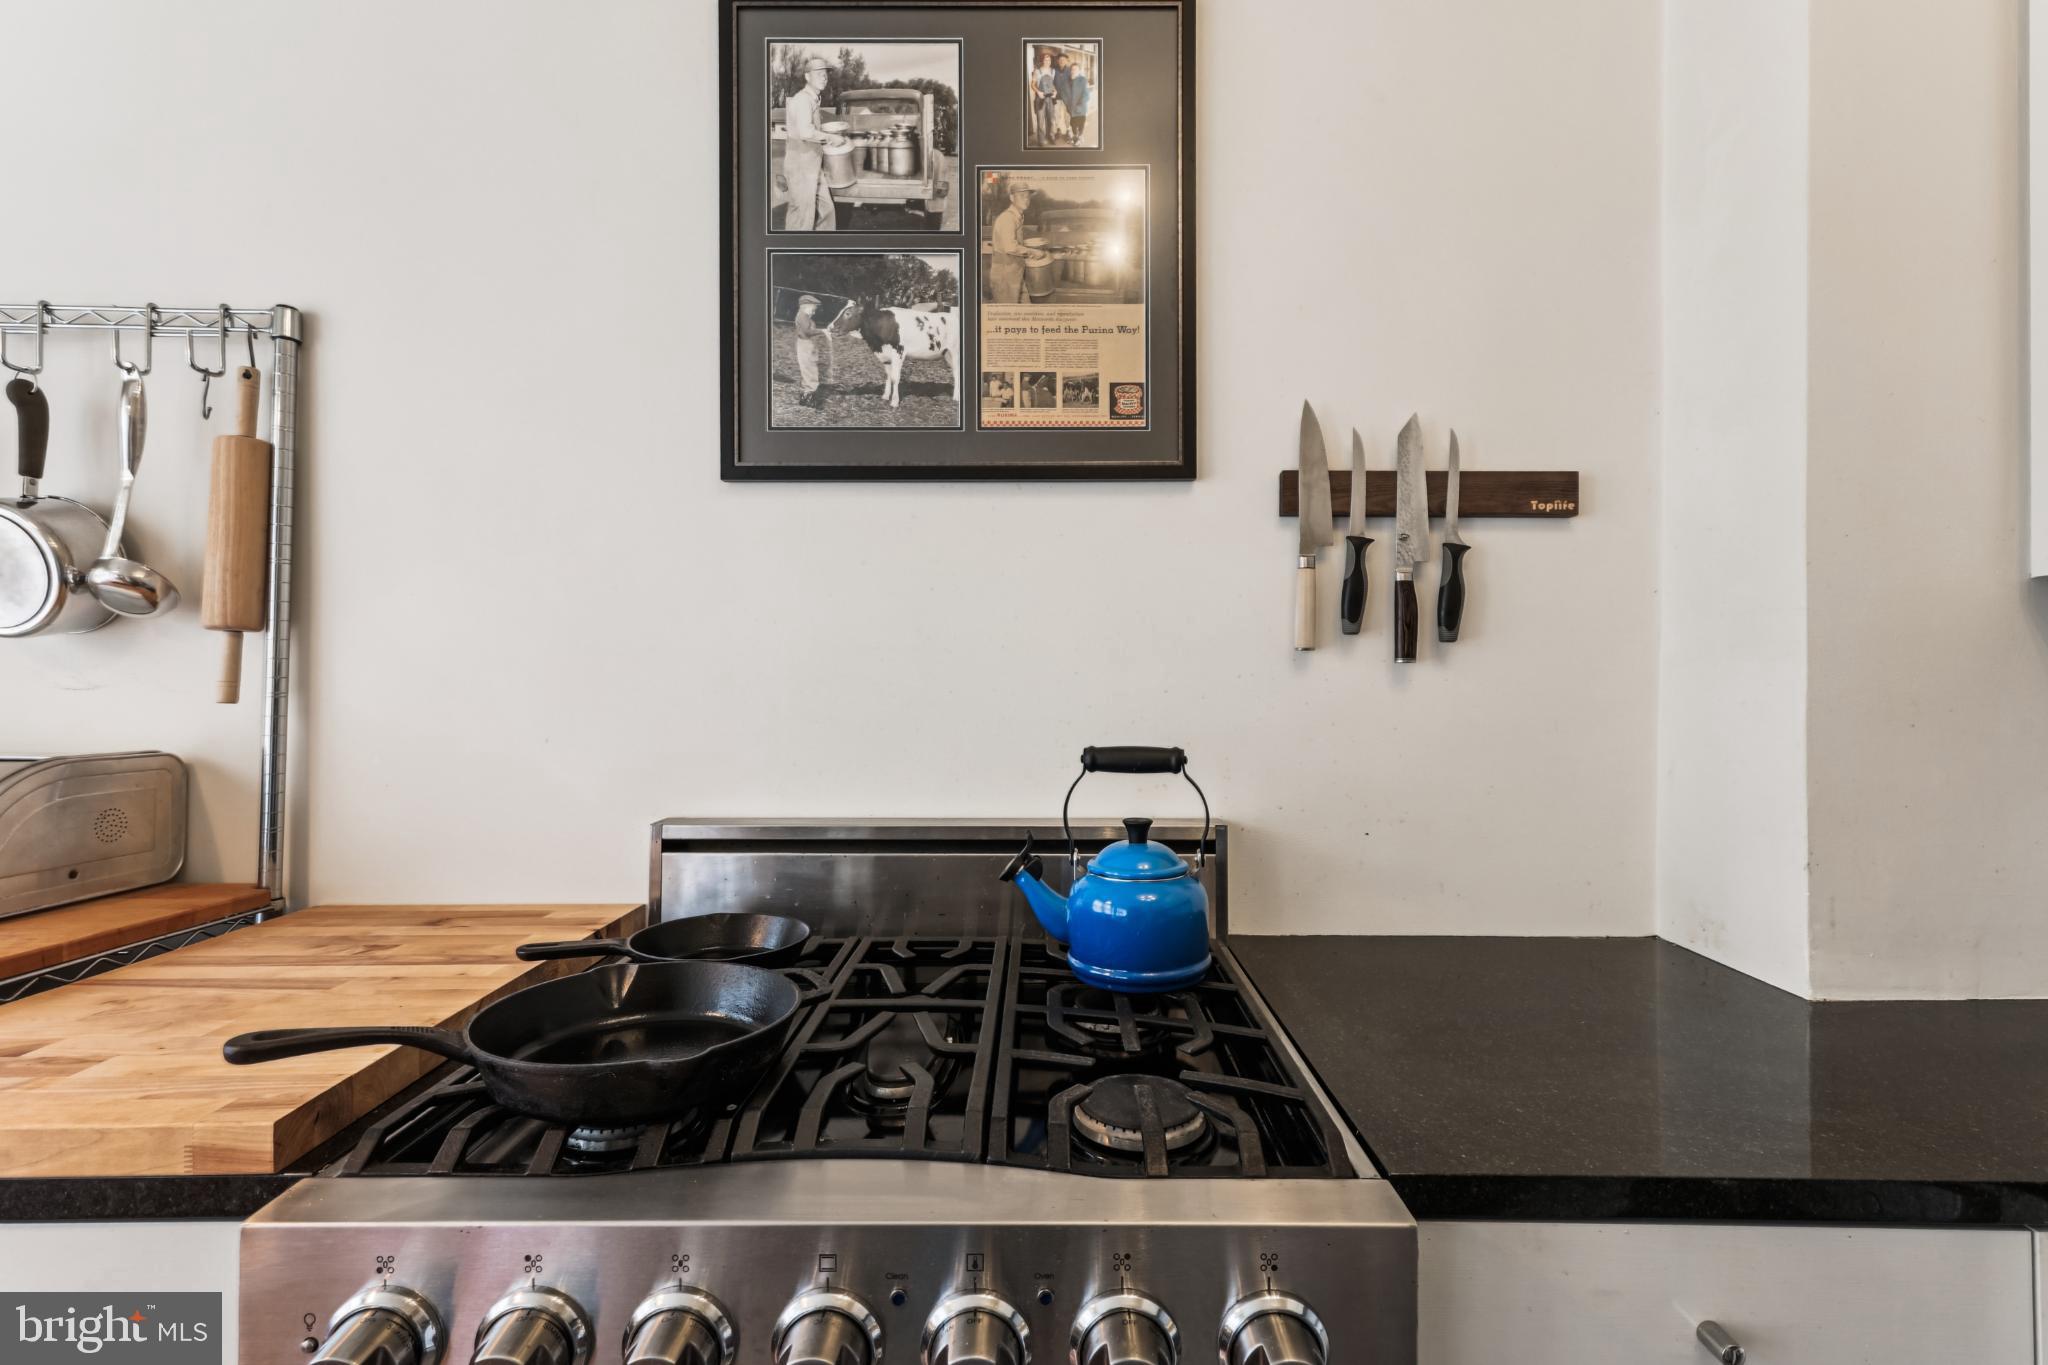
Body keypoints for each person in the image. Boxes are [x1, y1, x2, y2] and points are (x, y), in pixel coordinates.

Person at [783, 55, 839, 231]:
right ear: (807, 77)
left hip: (812, 164)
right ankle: (794, 253)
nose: (824, 78)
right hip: (800, 164)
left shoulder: (814, 99)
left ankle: (821, 245)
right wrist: (830, 137)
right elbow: (805, 132)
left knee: (827, 210)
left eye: (826, 74)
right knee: (802, 214)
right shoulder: (802, 100)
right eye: (819, 74)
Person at [987, 182, 1034, 304]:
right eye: (1022, 195)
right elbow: (1010, 247)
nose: (1026, 199)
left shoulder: (1017, 217)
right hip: (1005, 278)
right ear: (1012, 198)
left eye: (1028, 196)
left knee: (1026, 312)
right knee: (1009, 316)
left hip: (1015, 275)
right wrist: (1032, 251)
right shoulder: (1008, 218)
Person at [792, 294, 829, 407]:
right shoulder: (802, 316)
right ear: (805, 306)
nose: (814, 312)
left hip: (808, 344)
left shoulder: (805, 316)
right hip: (805, 345)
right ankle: (809, 398)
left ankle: (805, 397)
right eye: (813, 309)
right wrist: (823, 331)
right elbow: (807, 332)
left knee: (810, 369)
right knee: (809, 370)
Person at [1031, 52, 1059, 148]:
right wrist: (1038, 92)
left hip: (1050, 98)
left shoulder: (1053, 71)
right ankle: (1041, 140)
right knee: (1041, 120)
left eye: (1049, 60)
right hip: (1041, 98)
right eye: (1046, 60)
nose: (1048, 62)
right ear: (1042, 61)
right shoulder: (1037, 71)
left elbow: (1052, 84)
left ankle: (1051, 136)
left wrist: (1055, 91)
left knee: (1051, 119)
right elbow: (1032, 84)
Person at [1068, 57, 1091, 145]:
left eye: (1075, 69)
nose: (1073, 71)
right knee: (1073, 124)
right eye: (1072, 69)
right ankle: (1075, 138)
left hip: (1081, 108)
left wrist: (1080, 104)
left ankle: (1080, 137)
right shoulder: (1069, 80)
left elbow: (1086, 95)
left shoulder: (1083, 80)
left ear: (1079, 70)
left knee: (1081, 124)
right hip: (1072, 108)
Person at [1052, 54, 1074, 144]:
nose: (1061, 61)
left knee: (1067, 116)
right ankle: (1058, 130)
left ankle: (1068, 131)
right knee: (1056, 115)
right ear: (1058, 61)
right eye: (1060, 59)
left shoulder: (1069, 71)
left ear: (1066, 61)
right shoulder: (1054, 70)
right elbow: (1051, 82)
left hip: (1067, 98)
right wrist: (1053, 89)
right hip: (1056, 97)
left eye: (1063, 59)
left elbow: (1073, 83)